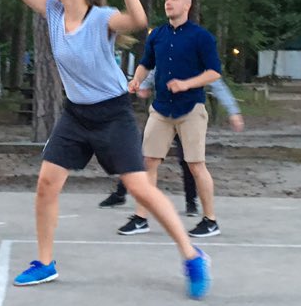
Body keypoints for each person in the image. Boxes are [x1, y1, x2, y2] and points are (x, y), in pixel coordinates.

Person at [0, 0, 211, 299]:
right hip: (76, 115)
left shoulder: (102, 18)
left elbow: (139, 19)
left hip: (112, 114)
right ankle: (45, 263)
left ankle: (192, 255)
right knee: (46, 184)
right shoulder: (53, 11)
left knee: (140, 189)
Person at [115, 0, 224, 238]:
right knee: (147, 163)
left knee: (196, 165)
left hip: (191, 109)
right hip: (161, 108)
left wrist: (186, 84)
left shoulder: (201, 37)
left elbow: (214, 72)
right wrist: (137, 81)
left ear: (187, 5)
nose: (168, 2)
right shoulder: (157, 35)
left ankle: (210, 220)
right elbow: (146, 63)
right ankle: (141, 218)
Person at [99, 72, 244, 216]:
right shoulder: (166, 51)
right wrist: (143, 85)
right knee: (141, 156)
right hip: (162, 113)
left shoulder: (199, 58)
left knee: (190, 160)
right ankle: (120, 194)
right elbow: (155, 70)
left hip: (188, 114)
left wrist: (233, 111)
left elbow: (217, 84)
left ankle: (191, 201)